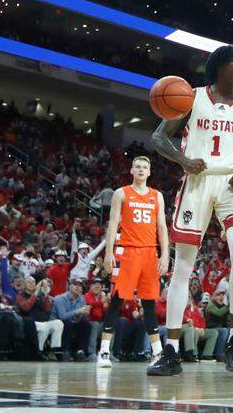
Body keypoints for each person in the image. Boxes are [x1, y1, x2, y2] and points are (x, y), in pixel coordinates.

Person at [148, 45, 233, 376]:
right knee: (182, 268)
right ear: (219, 65)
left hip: (232, 186)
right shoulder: (190, 97)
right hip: (197, 182)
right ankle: (172, 350)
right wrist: (183, 160)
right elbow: (159, 137)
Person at [97, 156, 169, 369]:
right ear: (131, 170)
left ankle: (157, 354)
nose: (140, 169)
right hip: (126, 251)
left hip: (149, 254)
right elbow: (112, 225)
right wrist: (108, 253)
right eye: (137, 166)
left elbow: (162, 228)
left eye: (144, 167)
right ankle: (103, 352)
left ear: (149, 172)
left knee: (148, 303)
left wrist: (165, 255)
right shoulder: (121, 193)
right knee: (117, 300)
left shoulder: (157, 196)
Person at [53, 280, 93, 360]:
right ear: (70, 286)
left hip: (73, 322)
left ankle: (81, 351)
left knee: (86, 324)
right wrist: (77, 311)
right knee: (67, 323)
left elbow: (79, 318)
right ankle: (65, 351)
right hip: (58, 323)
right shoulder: (60, 298)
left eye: (80, 286)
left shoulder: (82, 300)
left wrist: (85, 313)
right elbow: (62, 316)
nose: (78, 287)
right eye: (75, 285)